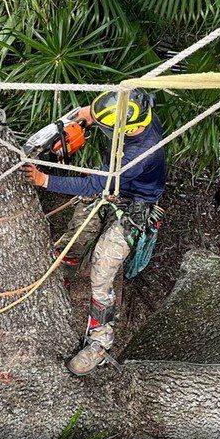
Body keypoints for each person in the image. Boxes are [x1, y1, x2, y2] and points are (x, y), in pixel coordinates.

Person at [23, 89, 166, 375]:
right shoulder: (137, 109)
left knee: (103, 265)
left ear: (128, 128)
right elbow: (96, 109)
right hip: (115, 183)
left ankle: (100, 342)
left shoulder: (139, 154)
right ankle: (64, 269)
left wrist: (43, 179)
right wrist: (83, 116)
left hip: (136, 202)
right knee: (79, 231)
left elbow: (92, 187)